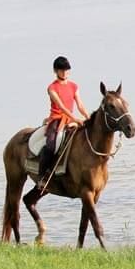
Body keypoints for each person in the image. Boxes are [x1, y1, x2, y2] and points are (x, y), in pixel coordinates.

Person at [37, 56, 90, 190]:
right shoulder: (52, 88)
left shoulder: (74, 86)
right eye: (62, 70)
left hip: (71, 119)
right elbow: (61, 106)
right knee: (51, 145)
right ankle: (42, 177)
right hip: (57, 119)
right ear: (56, 71)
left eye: (67, 70)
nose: (65, 72)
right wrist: (76, 119)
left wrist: (87, 117)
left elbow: (80, 104)